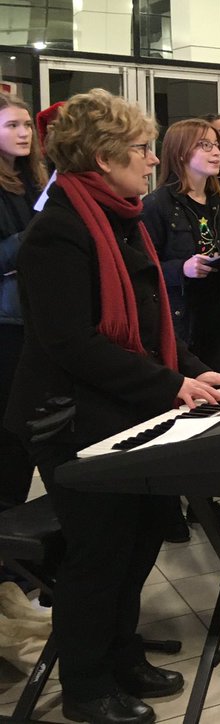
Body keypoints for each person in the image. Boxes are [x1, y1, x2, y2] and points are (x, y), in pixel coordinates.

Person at [3, 89, 220, 724]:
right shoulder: (57, 231)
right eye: (141, 148)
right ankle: (87, 686)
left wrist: (195, 370)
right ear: (101, 155)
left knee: (141, 539)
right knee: (98, 552)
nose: (150, 159)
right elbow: (72, 344)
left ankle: (122, 654)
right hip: (71, 418)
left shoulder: (120, 216)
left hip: (124, 407)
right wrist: (170, 387)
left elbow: (149, 326)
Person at [142, 119, 220, 374]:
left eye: (216, 145)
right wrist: (182, 269)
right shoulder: (157, 205)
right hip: (184, 318)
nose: (216, 152)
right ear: (180, 152)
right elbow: (143, 271)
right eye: (205, 145)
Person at [0, 95, 47, 513]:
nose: (23, 133)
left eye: (27, 125)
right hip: (6, 321)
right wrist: (36, 230)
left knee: (26, 427)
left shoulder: (34, 179)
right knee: (9, 427)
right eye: (12, 125)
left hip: (32, 315)